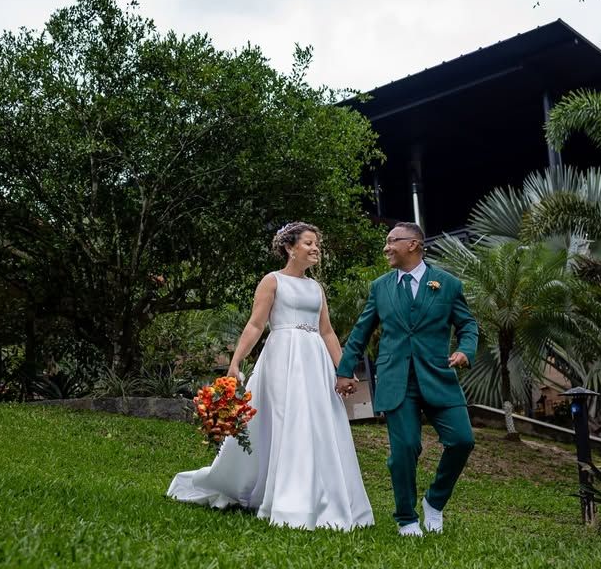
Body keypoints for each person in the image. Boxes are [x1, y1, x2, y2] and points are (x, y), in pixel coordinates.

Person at [167, 222, 374, 531]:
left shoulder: (316, 288)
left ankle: (322, 494)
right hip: (283, 358)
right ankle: (285, 496)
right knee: (285, 419)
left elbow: (327, 332)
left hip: (314, 360)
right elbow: (255, 324)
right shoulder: (272, 281)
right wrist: (236, 361)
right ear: (290, 248)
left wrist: (343, 370)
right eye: (308, 243)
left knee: (319, 422)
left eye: (317, 243)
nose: (315, 248)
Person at [335, 222, 478, 536]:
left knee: (462, 441)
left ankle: (434, 502)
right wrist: (344, 371)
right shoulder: (380, 287)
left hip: (438, 376)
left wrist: (465, 350)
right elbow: (360, 332)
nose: (386, 247)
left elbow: (468, 326)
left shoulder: (448, 284)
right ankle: (406, 518)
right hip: (396, 379)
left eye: (392, 241)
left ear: (413, 244)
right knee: (405, 450)